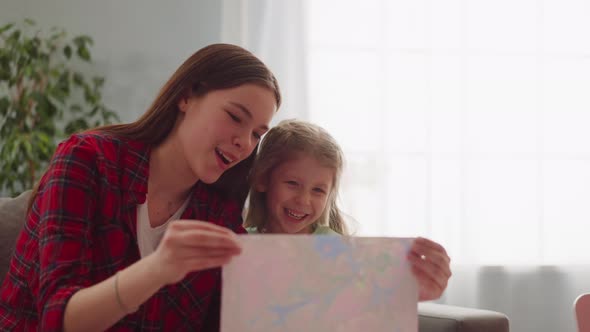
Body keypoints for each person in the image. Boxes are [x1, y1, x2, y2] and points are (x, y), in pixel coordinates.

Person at [0, 43, 281, 332]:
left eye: (257, 134)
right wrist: (158, 269)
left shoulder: (219, 213)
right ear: (186, 96)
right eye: (235, 117)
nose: (245, 143)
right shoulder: (89, 161)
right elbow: (57, 319)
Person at [244, 119, 452, 301]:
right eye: (292, 183)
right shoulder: (241, 244)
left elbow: (370, 306)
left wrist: (412, 292)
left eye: (318, 190)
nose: (303, 200)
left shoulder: (342, 252)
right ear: (263, 179)